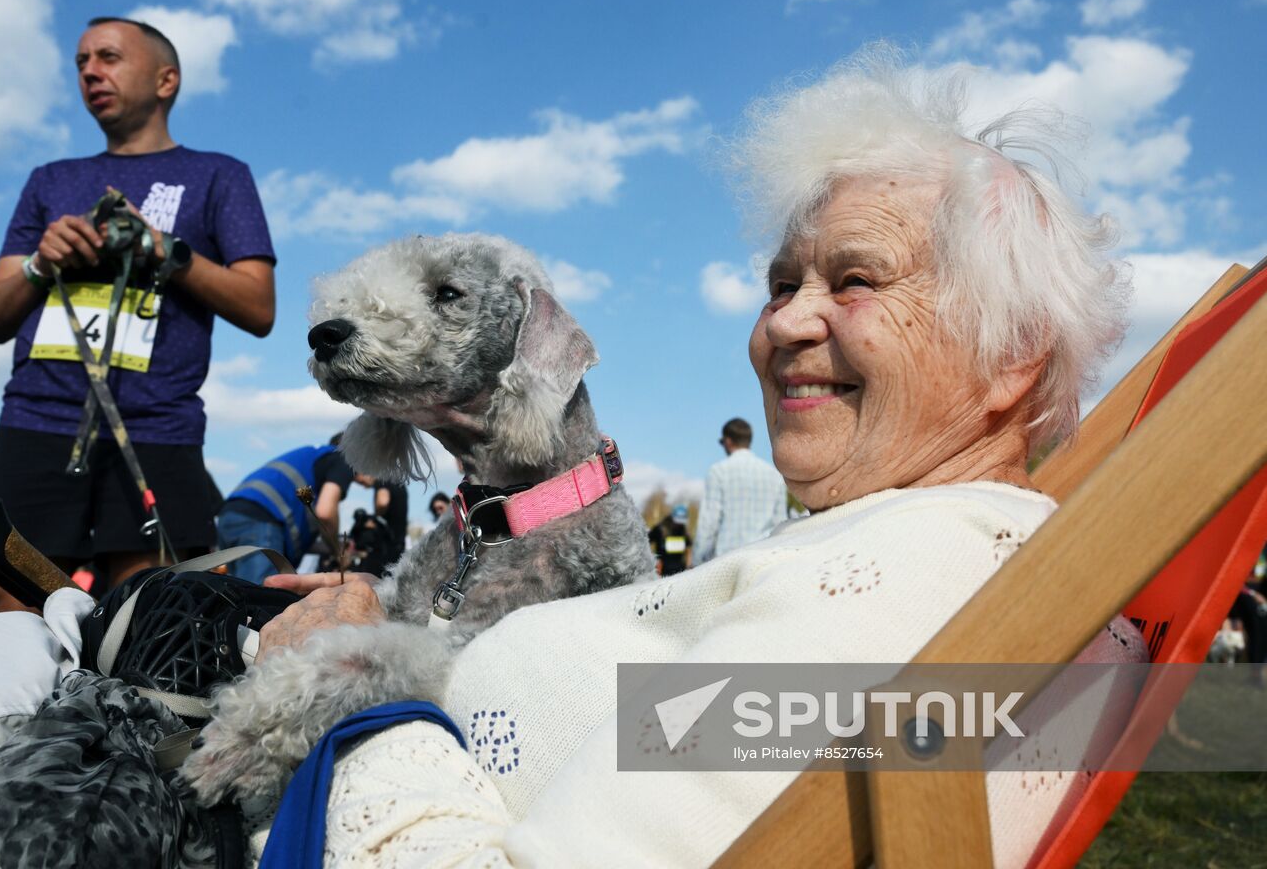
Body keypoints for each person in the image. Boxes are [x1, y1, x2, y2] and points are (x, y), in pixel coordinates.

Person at [245, 48, 1146, 868]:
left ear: (1014, 352)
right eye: (783, 285)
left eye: (857, 280)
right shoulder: (894, 547)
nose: (783, 323)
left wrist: (355, 685)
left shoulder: (900, 588)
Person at [0, 17, 276, 597]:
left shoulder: (218, 174)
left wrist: (165, 250)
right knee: (5, 609)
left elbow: (259, 307)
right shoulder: (51, 180)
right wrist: (43, 262)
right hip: (36, 420)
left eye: (108, 57)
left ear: (167, 80)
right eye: (81, 61)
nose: (90, 71)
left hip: (156, 425)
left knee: (146, 620)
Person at [217, 439, 356, 583]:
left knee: (239, 593)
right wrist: (338, 552)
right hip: (261, 520)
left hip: (230, 514)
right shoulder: (343, 458)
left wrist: (326, 546)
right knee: (261, 595)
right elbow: (325, 513)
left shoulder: (312, 457)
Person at [693, 417, 789, 563]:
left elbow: (709, 522)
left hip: (726, 560)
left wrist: (698, 560)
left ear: (728, 441)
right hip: (763, 559)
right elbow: (780, 522)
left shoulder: (718, 471)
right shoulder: (774, 475)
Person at [649, 503, 693, 576]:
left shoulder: (683, 531)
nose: (680, 524)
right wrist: (654, 561)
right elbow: (646, 542)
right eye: (678, 521)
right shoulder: (660, 529)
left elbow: (688, 549)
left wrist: (689, 566)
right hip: (661, 571)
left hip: (681, 571)